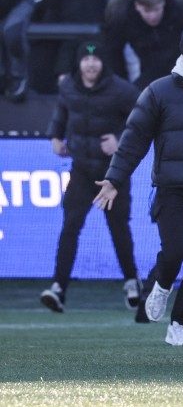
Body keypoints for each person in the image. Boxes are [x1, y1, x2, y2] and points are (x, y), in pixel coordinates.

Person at [93, 24, 183, 348]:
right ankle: (161, 286)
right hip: (170, 190)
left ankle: (179, 324)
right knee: (176, 251)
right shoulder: (160, 91)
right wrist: (115, 179)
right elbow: (133, 139)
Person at [40, 41, 139, 313]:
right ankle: (58, 287)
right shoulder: (68, 86)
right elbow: (61, 112)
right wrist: (55, 136)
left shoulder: (121, 89)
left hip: (112, 174)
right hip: (81, 170)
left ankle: (132, 282)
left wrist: (120, 138)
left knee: (119, 228)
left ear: (103, 63)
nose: (91, 63)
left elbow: (140, 118)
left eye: (96, 59)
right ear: (79, 62)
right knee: (70, 226)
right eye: (86, 59)